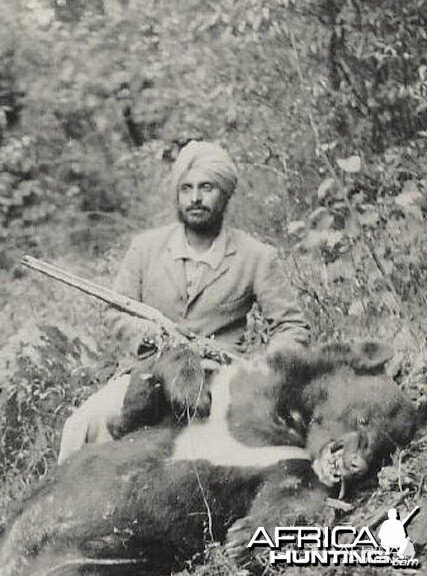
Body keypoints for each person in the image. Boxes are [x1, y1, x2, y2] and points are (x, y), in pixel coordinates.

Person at [58, 141, 310, 464]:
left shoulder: (256, 257)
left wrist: (262, 370)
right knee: (83, 424)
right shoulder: (145, 248)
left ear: (225, 194)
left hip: (218, 378)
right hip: (148, 372)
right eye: (186, 188)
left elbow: (291, 326)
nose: (195, 198)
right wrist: (155, 337)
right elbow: (116, 311)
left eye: (207, 188)